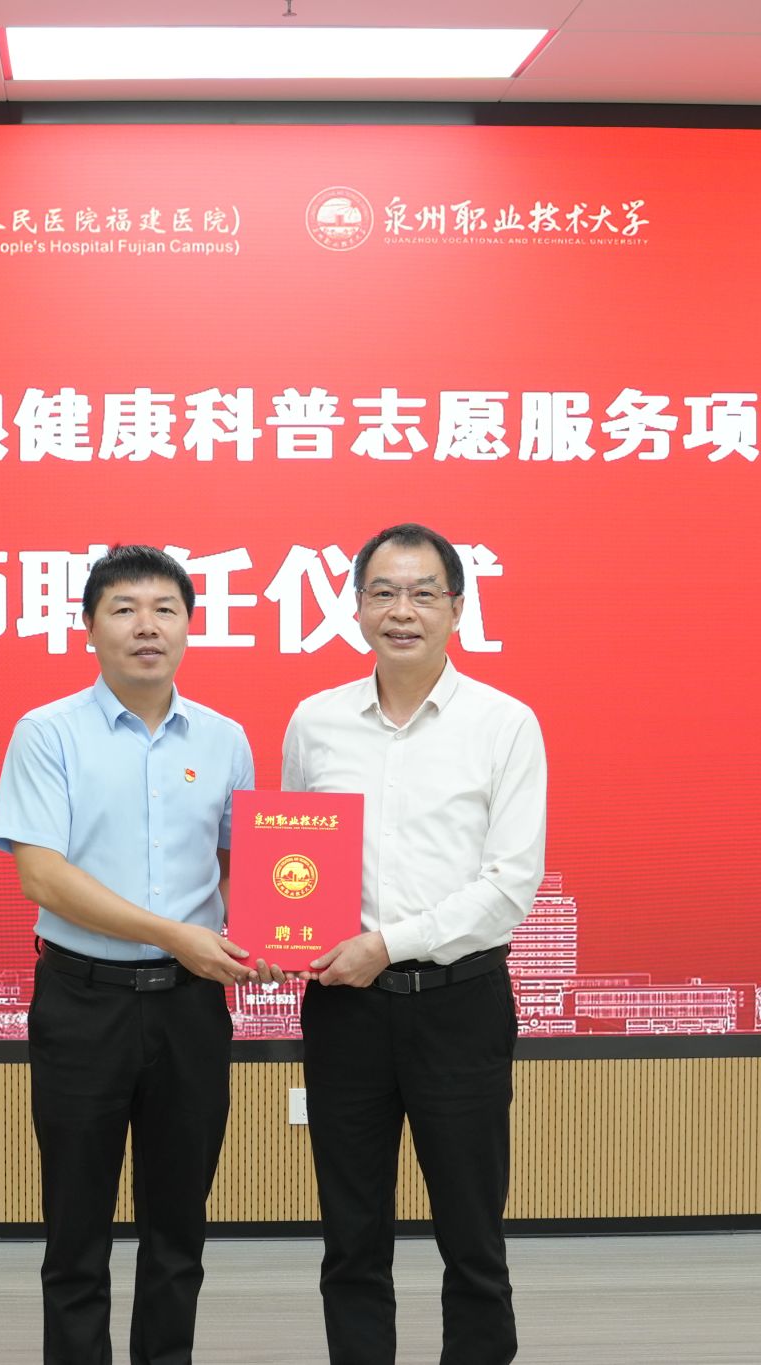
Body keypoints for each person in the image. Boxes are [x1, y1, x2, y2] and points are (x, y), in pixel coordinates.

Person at [282, 522, 548, 1365]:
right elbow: (296, 859)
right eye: (384, 592)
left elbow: (509, 885)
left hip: (459, 1003)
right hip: (345, 1012)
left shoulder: (504, 724)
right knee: (351, 1232)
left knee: (472, 1233)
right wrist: (284, 930)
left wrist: (387, 943)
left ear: (457, 609)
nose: (403, 611)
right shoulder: (316, 722)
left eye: (424, 593)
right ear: (357, 607)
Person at [0, 543, 259, 1365]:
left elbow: (244, 871)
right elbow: (42, 875)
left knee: (179, 1228)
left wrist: (278, 933)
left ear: (188, 626)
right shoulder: (47, 733)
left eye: (165, 609)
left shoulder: (225, 740)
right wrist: (175, 931)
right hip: (84, 1003)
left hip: (189, 1009)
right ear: (89, 627)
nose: (148, 626)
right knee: (77, 1232)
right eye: (125, 609)